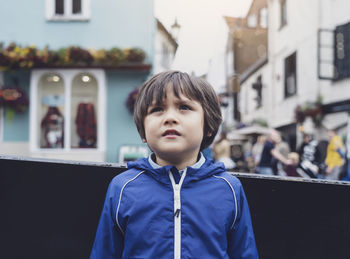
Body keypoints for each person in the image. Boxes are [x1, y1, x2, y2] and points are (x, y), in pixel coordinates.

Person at [90, 71, 259, 259]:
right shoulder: (122, 187)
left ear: (208, 126)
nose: (170, 117)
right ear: (143, 131)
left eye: (184, 107)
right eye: (157, 109)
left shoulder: (229, 188)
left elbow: (245, 253)